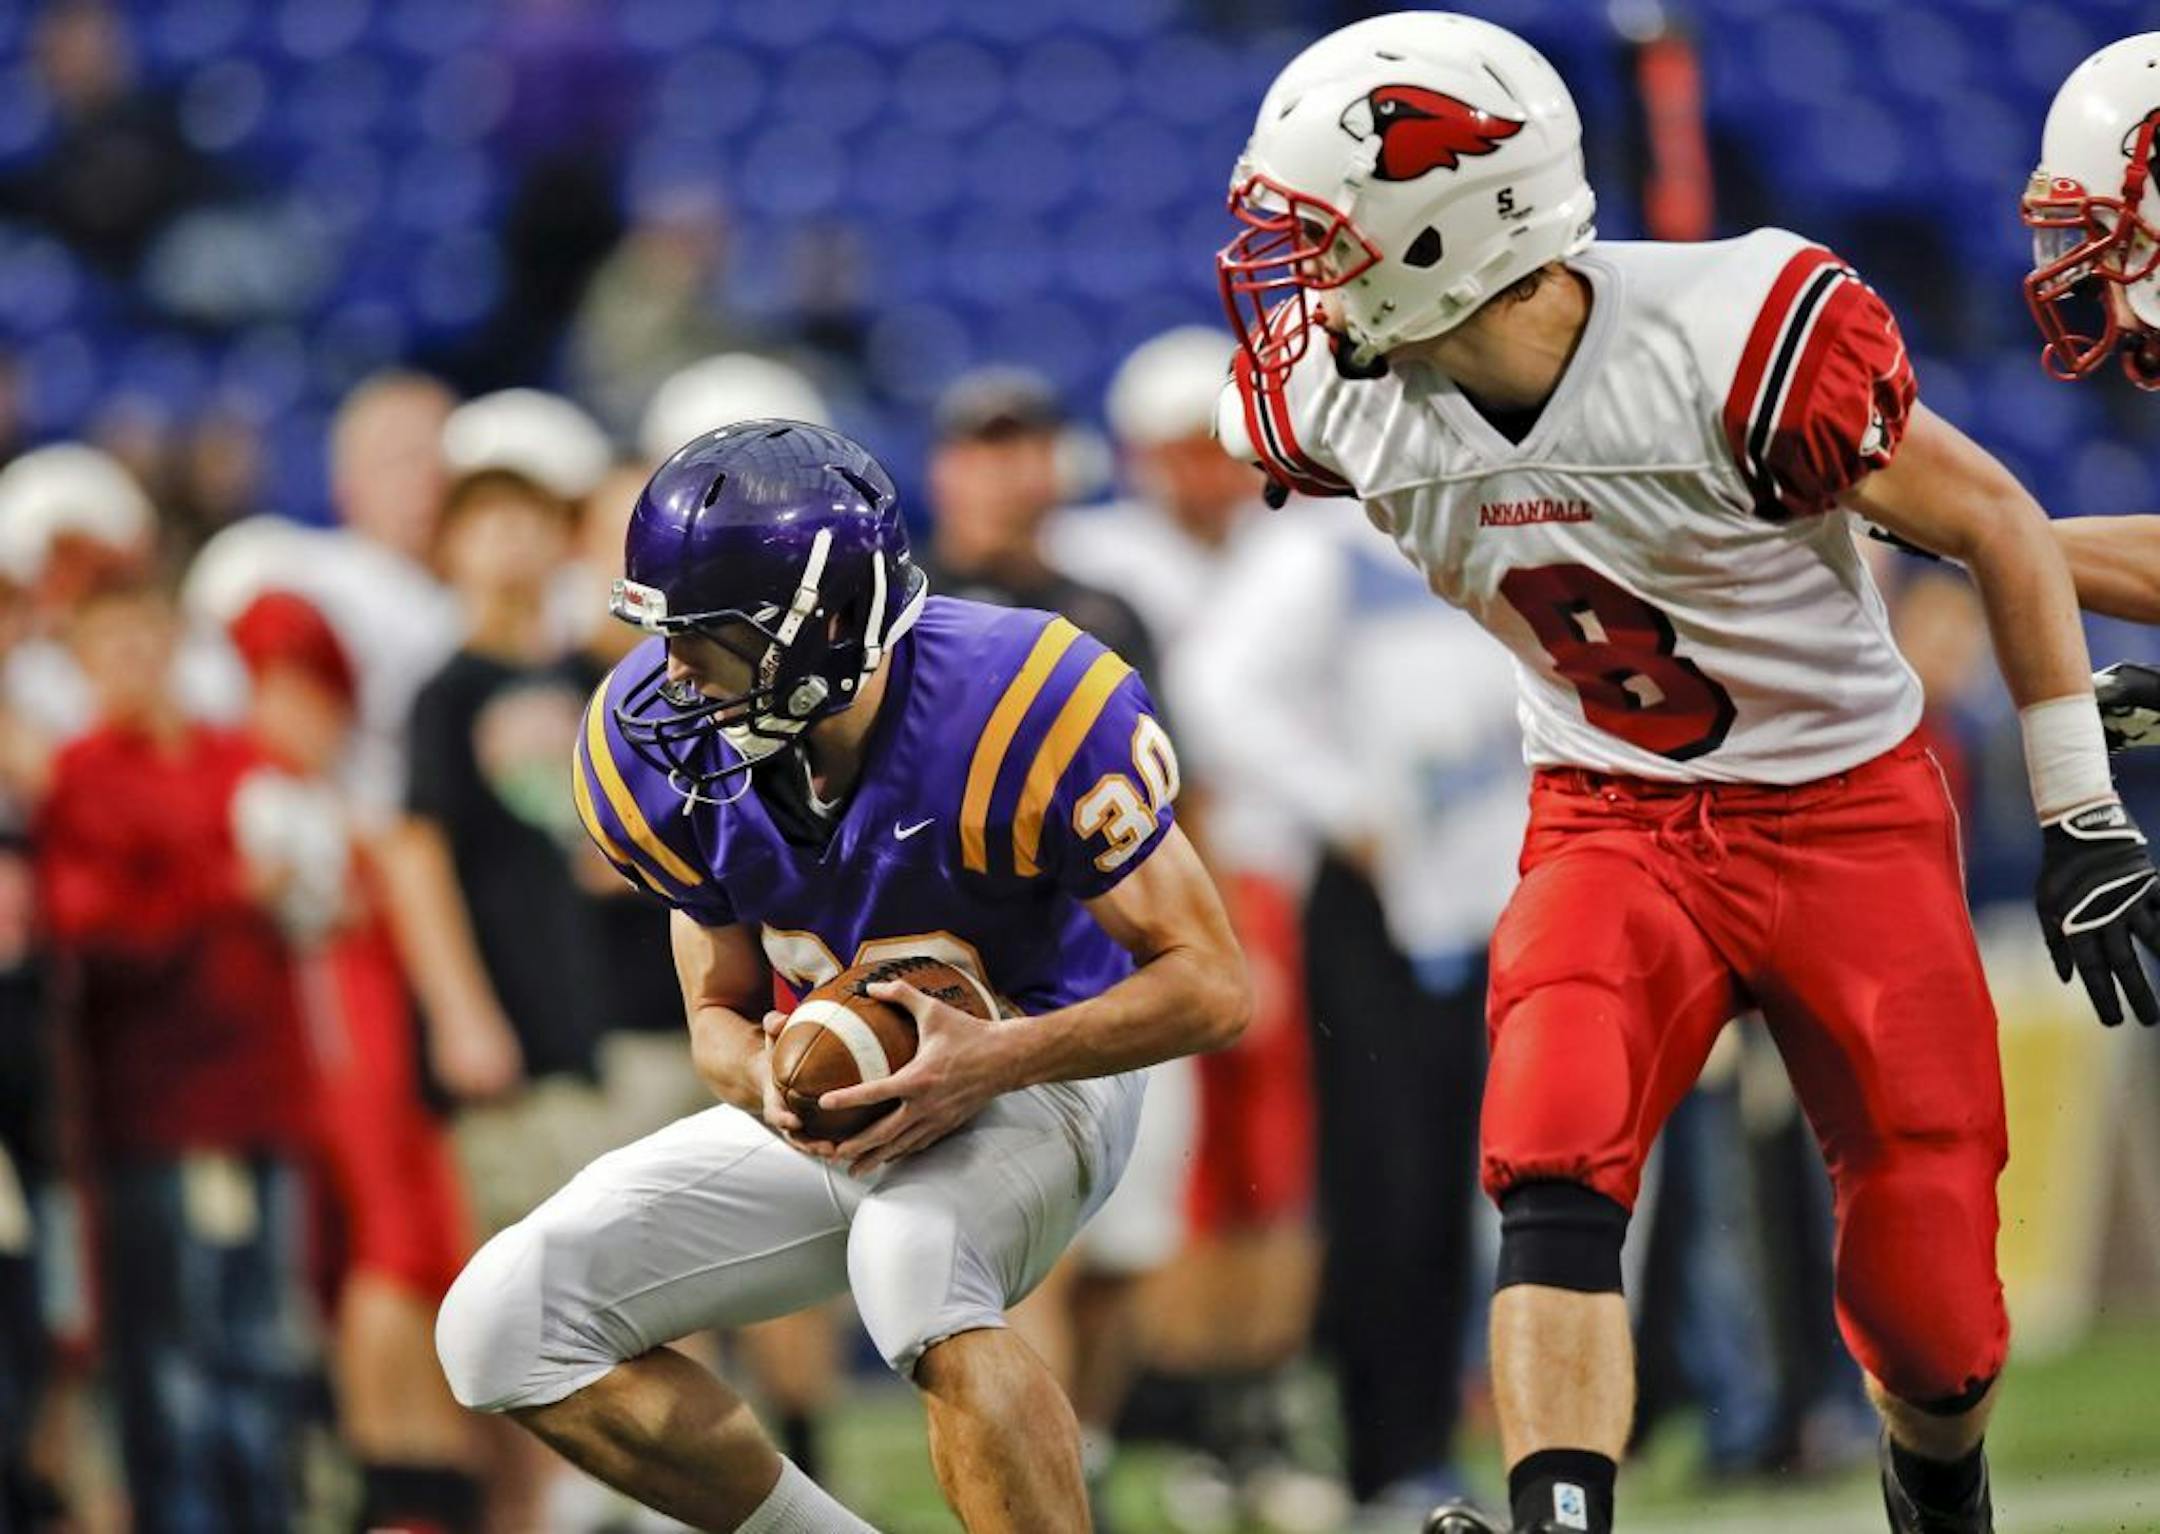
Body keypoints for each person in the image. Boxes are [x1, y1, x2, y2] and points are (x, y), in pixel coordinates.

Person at [1212, 14, 2159, 1534]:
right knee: (1549, 1128)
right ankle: (1558, 1510)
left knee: (1931, 1303)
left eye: (1322, 230)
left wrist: (2076, 807)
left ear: (1452, 222)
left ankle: (1939, 1492)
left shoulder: (1736, 335)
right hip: (1615, 816)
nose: (1292, 271)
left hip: (1848, 811)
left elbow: (1995, 521)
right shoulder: (1329, 397)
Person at [432, 421, 1250, 1533]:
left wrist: (992, 1060)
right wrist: (761, 1075)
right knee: (502, 1321)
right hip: (847, 1094)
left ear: (817, 630)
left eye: (705, 639)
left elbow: (1211, 983)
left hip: (1045, 1069)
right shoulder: (650, 749)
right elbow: (717, 1012)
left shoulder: (1023, 696)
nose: (669, 674)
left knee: (911, 1263)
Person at [36, 576, 319, 1534]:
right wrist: (224, 887)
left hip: (260, 1096)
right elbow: (94, 933)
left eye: (145, 638)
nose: (134, 662)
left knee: (261, 1347)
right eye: (109, 645)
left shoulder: (236, 759)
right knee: (171, 1361)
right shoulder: (81, 778)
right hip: (155, 1116)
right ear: (79, 662)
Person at [923, 367, 1160, 686]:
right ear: (941, 473)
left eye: (1020, 457)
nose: (1000, 480)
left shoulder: (1104, 619)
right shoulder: (895, 605)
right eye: (980, 459)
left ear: (1057, 473)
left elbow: (1148, 732)